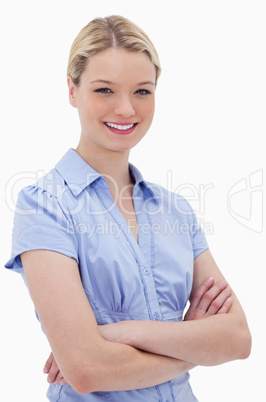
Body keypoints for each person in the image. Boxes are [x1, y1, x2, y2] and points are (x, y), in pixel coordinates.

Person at [5, 15, 251, 401]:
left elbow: (237, 339)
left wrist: (121, 333)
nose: (125, 109)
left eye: (142, 91)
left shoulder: (177, 212)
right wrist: (193, 344)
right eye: (104, 90)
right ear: (72, 90)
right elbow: (86, 370)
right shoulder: (44, 206)